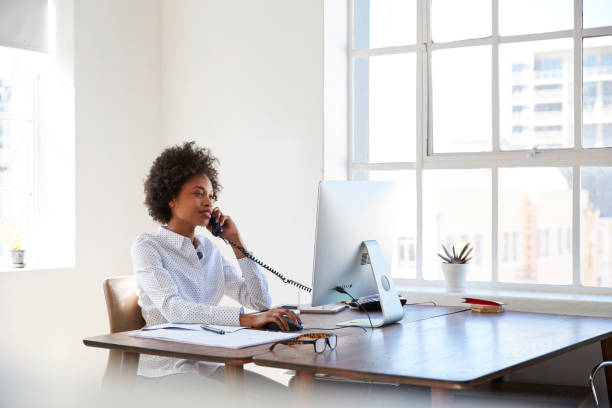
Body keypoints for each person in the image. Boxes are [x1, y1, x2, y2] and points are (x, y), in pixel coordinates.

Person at [131, 141, 301, 384]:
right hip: (169, 371)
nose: (208, 202)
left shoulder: (208, 248)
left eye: (210, 195)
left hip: (209, 367)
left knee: (285, 398)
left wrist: (236, 242)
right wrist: (246, 319)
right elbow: (174, 310)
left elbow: (259, 302)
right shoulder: (148, 246)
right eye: (198, 194)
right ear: (171, 198)